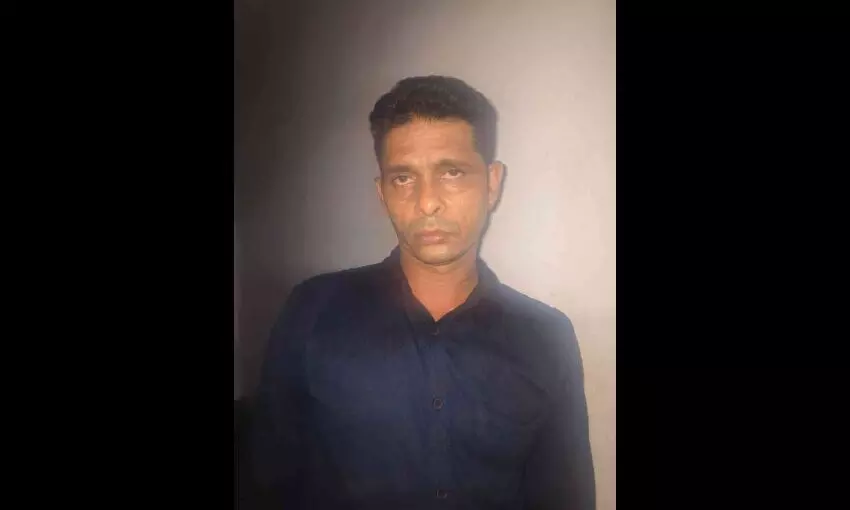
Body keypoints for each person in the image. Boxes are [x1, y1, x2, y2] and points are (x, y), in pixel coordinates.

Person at [249, 75, 595, 510]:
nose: (427, 202)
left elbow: (564, 495)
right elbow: (265, 481)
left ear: (492, 184)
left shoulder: (546, 337)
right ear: (382, 193)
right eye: (403, 178)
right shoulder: (312, 312)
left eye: (451, 172)